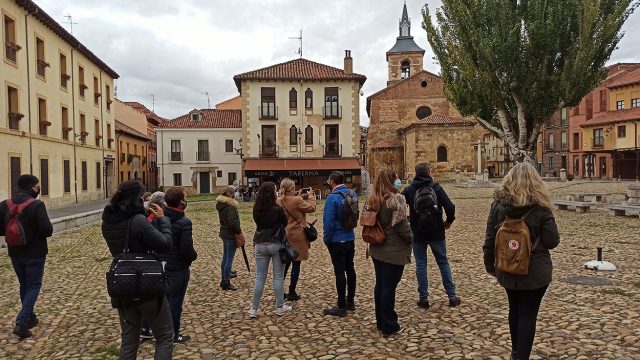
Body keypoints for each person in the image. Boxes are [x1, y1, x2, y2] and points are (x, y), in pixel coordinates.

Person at [483, 163, 560, 360]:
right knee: (528, 314)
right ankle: (521, 357)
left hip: (506, 268)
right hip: (534, 271)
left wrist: (490, 265)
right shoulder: (541, 207)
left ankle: (516, 352)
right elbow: (552, 241)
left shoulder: (498, 206)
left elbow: (490, 237)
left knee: (514, 309)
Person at [101, 180, 174, 359]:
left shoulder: (107, 222)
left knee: (128, 340)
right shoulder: (138, 220)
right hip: (146, 281)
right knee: (164, 336)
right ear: (137, 198)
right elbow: (165, 244)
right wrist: (163, 220)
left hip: (123, 283)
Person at [0, 175, 53, 339]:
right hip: (35, 253)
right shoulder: (37, 205)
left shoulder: (4, 204)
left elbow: (1, 230)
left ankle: (30, 318)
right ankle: (22, 322)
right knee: (33, 286)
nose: (39, 189)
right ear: (32, 187)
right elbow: (47, 230)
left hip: (15, 252)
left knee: (24, 285)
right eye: (38, 186)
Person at [402, 163, 461, 309]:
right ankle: (452, 296)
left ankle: (423, 299)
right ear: (428, 172)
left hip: (418, 232)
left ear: (416, 173)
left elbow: (399, 205)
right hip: (437, 232)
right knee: (443, 262)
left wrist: (408, 219)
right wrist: (448, 222)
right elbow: (450, 207)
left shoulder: (409, 189)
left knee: (421, 264)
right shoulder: (437, 188)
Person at [368, 170, 413, 337]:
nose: (398, 181)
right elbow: (402, 227)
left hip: (377, 247)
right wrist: (411, 238)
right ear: (391, 181)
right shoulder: (396, 200)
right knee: (389, 287)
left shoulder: (374, 199)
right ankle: (389, 325)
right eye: (396, 179)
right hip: (393, 250)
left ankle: (381, 321)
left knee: (380, 285)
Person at [158, 187, 198, 344]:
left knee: (162, 301)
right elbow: (186, 248)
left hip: (161, 265)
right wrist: (193, 257)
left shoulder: (158, 219)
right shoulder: (184, 222)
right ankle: (173, 334)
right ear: (181, 203)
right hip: (178, 267)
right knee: (175, 301)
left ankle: (159, 332)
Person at [248, 182, 292, 318]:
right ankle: (280, 307)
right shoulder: (277, 208)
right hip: (276, 243)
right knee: (278, 277)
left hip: (260, 243)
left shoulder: (256, 209)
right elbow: (285, 222)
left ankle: (254, 309)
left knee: (260, 277)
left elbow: (257, 223)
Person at [322, 171, 357, 317]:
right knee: (350, 269)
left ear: (332, 181)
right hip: (350, 237)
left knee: (339, 271)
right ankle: (350, 301)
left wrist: (326, 239)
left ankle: (341, 305)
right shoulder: (352, 194)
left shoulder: (332, 198)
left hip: (336, 239)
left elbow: (328, 221)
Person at [276, 178, 317, 301]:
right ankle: (292, 291)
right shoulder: (298, 200)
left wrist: (296, 196)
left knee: (285, 264)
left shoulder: (279, 200)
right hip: (298, 236)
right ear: (292, 188)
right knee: (296, 264)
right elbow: (311, 208)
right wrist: (311, 196)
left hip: (285, 235)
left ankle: (280, 291)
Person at [216, 186, 241, 291]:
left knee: (225, 258)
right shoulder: (230, 206)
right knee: (228, 259)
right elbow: (232, 223)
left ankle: (224, 277)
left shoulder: (222, 205)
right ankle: (226, 281)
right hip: (230, 234)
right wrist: (238, 232)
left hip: (224, 233)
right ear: (230, 194)